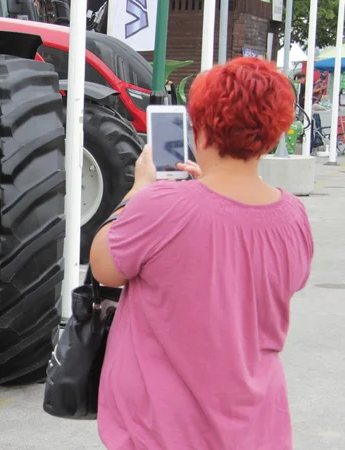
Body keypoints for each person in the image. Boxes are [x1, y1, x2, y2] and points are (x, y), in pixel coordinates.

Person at [89, 57, 314, 449]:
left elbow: (105, 267)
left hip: (163, 427)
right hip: (256, 426)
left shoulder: (160, 206)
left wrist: (138, 191)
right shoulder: (293, 216)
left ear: (202, 128)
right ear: (274, 133)